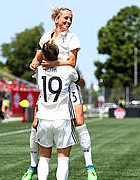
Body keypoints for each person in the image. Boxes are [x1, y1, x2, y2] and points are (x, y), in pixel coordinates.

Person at [23, 7, 97, 180]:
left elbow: (72, 62)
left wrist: (52, 64)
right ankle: (32, 166)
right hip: (55, 81)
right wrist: (35, 62)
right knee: (34, 124)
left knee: (79, 121)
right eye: (66, 18)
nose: (69, 22)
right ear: (56, 19)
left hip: (68, 84)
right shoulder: (46, 36)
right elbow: (38, 55)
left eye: (71, 19)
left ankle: (89, 166)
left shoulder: (72, 37)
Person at [34, 40, 85, 180]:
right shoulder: (68, 70)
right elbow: (81, 82)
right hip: (63, 118)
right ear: (59, 55)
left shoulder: (39, 71)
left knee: (44, 159)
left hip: (44, 118)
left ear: (44, 56)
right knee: (63, 159)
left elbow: (38, 64)